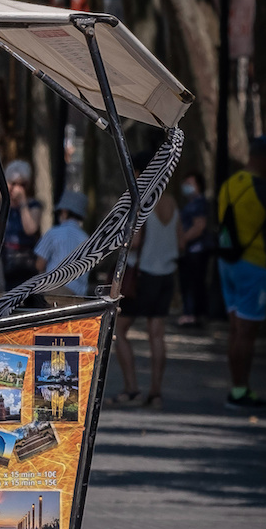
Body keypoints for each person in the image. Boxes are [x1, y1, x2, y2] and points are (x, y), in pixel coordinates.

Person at [217, 136, 266, 409]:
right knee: (247, 332)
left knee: (236, 329)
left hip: (227, 262)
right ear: (264, 158)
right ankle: (240, 390)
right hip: (255, 265)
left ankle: (236, 386)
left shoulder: (229, 185)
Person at [115, 173, 178, 407]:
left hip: (142, 275)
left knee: (119, 330)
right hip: (166, 274)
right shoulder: (171, 200)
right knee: (157, 334)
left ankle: (131, 388)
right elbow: (180, 242)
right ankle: (156, 392)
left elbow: (137, 240)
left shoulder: (141, 200)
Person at [33, 190, 92, 296]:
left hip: (52, 288)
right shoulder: (87, 239)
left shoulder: (53, 233)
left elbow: (39, 264)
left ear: (64, 212)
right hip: (78, 294)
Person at [0, 159, 44, 287]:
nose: (17, 189)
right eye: (13, 183)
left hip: (26, 261)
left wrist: (23, 203)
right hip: (5, 259)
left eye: (22, 184)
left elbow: (30, 229)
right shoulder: (0, 204)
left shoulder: (33, 205)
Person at [175, 175, 210, 326]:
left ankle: (192, 315)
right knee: (187, 282)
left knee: (193, 283)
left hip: (196, 250)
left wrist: (183, 240)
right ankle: (190, 312)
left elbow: (199, 226)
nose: (186, 186)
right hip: (188, 251)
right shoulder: (190, 203)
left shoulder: (199, 203)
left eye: (190, 183)